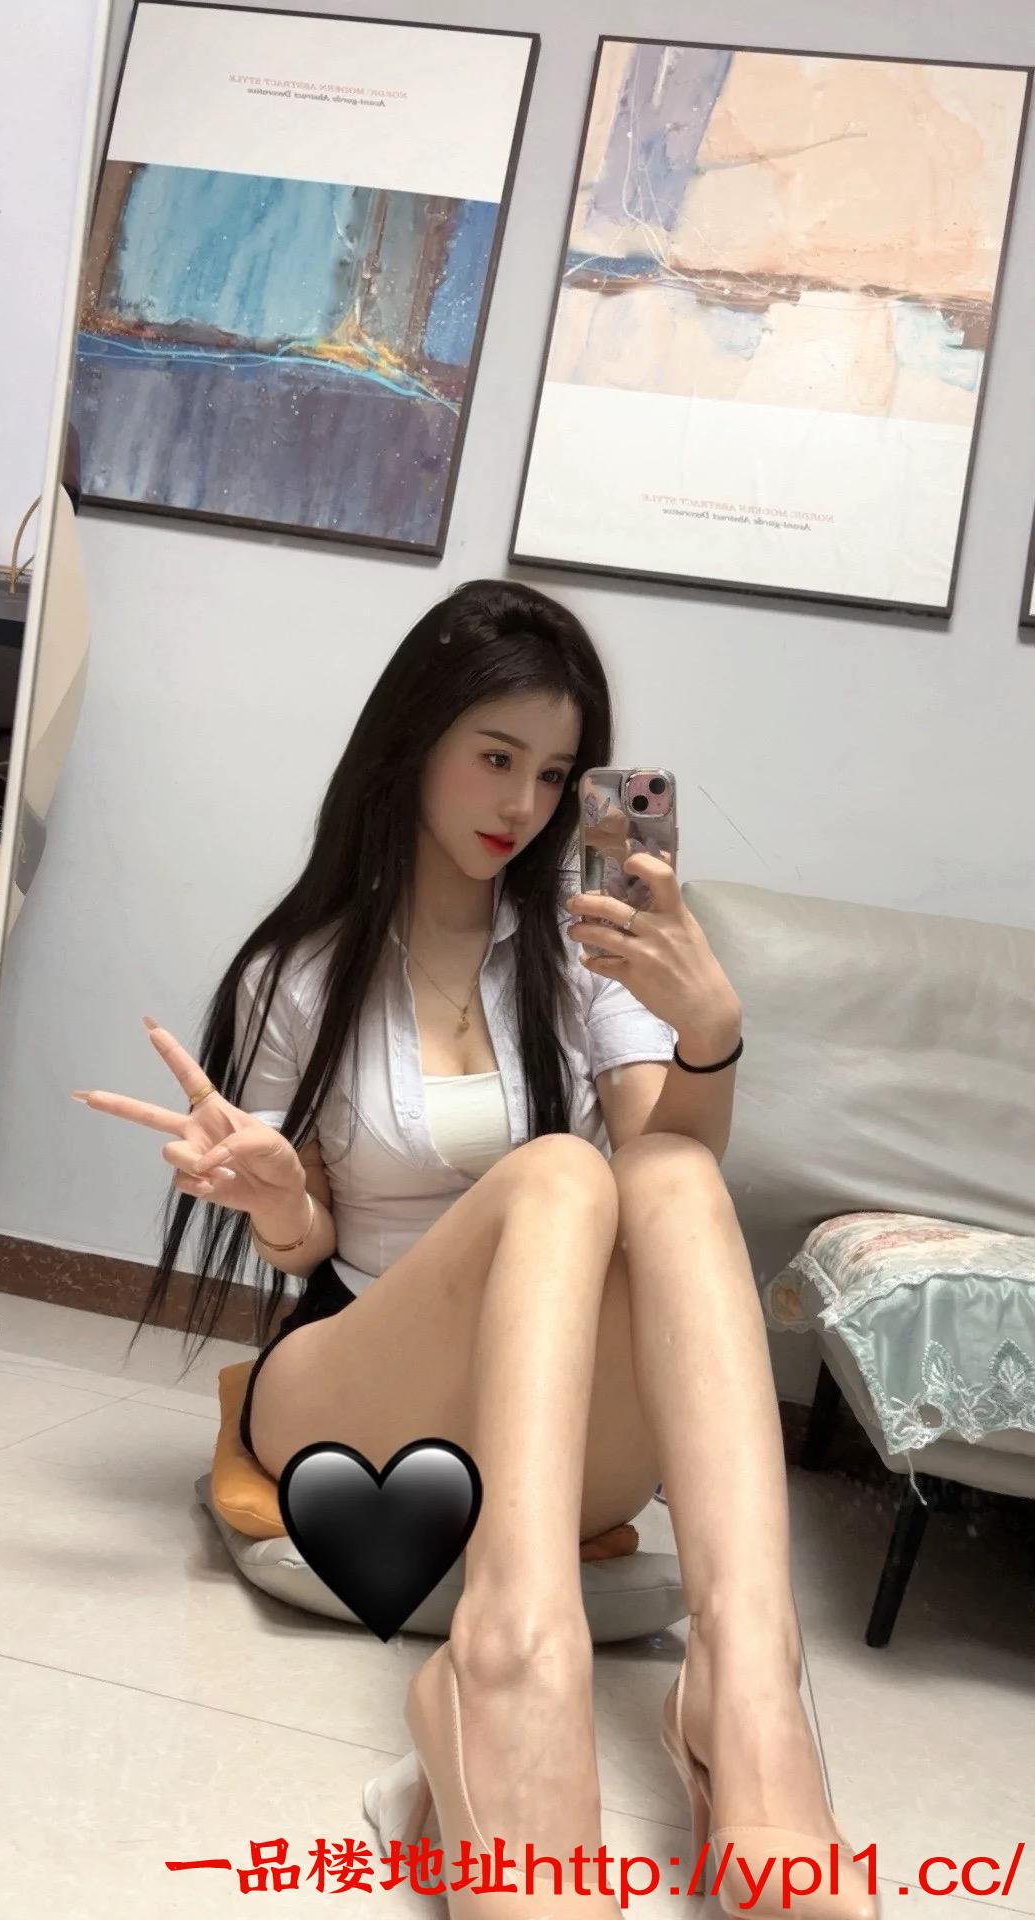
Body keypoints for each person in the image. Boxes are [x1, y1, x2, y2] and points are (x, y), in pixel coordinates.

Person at [72, 579, 874, 1920]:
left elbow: (670, 1170)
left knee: (658, 1170)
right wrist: (279, 1195)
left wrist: (709, 1035)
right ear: (416, 740)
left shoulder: (582, 953)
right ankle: (516, 1662)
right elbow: (304, 1250)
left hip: (544, 1407)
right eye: (495, 757)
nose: (525, 803)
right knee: (561, 1172)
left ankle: (748, 1691)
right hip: (358, 1390)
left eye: (554, 774)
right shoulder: (301, 972)